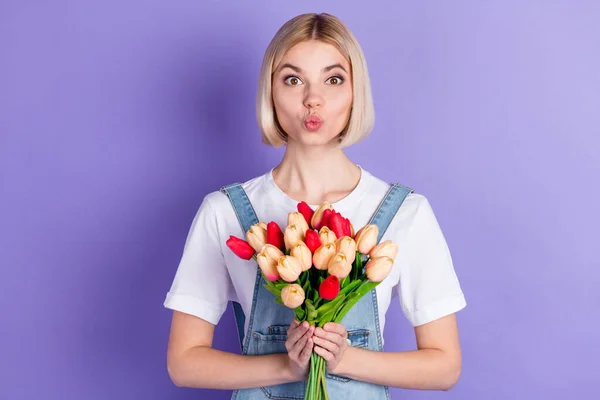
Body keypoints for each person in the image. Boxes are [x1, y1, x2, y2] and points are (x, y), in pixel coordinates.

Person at [163, 12, 466, 399]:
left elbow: (445, 366)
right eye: (293, 79)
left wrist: (344, 358)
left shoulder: (405, 212)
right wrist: (285, 365)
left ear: (356, 92)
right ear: (270, 92)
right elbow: (184, 362)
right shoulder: (225, 212)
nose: (313, 99)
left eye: (334, 79)